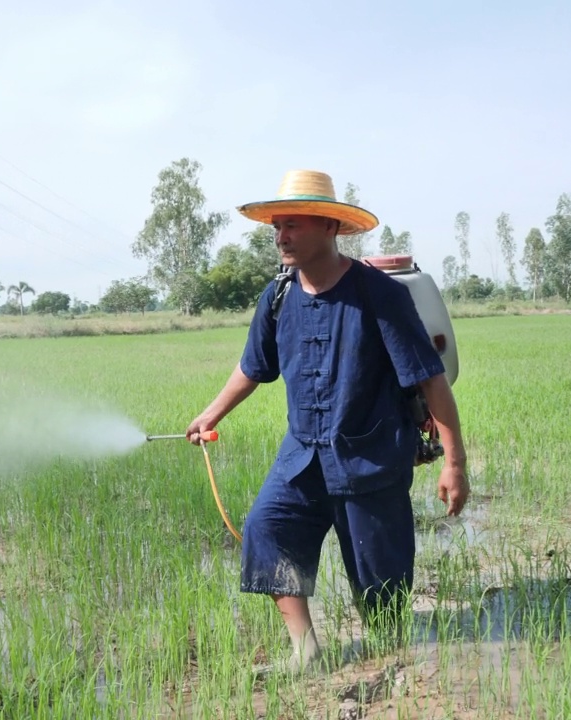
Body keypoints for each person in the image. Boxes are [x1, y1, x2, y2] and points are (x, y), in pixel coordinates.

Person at [185, 169, 469, 675]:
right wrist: (211, 413)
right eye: (277, 226)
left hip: (371, 458)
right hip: (303, 456)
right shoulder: (276, 297)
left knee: (381, 585)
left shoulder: (379, 295)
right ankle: (306, 651)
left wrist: (455, 464)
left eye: (293, 225)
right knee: (266, 529)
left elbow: (431, 380)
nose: (281, 236)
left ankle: (393, 664)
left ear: (330, 227)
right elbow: (253, 366)